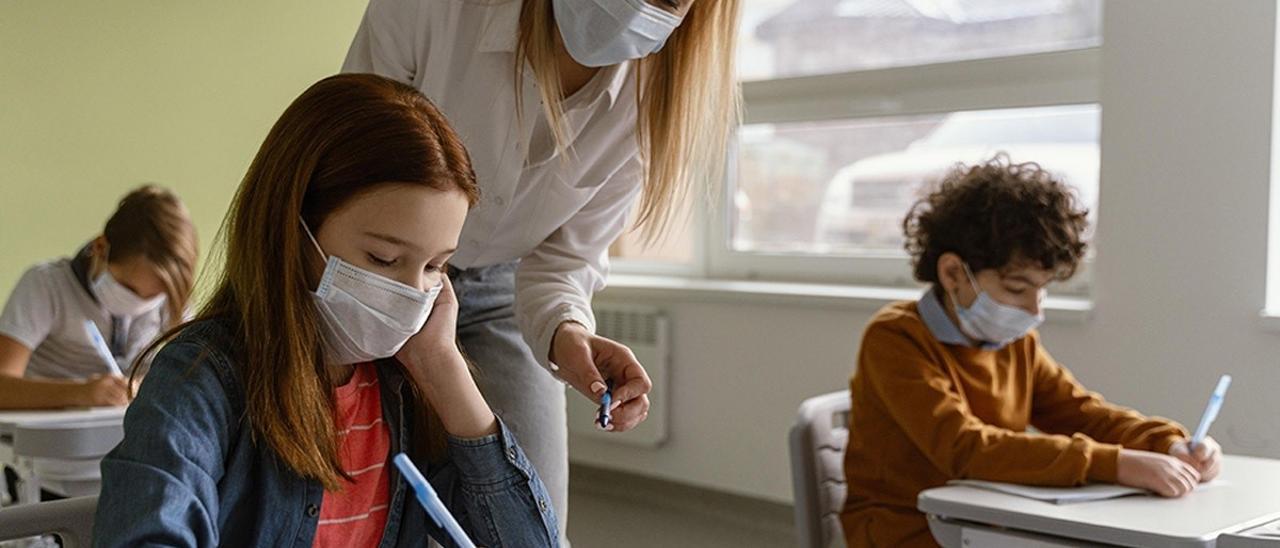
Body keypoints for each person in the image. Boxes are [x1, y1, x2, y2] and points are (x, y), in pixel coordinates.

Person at [93, 74, 558, 547]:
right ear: (293, 232)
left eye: (437, 265)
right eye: (383, 258)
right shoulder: (201, 378)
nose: (414, 292)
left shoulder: (403, 391)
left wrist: (444, 368)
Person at [342, 0, 742, 537]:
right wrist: (396, 282)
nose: (638, 8)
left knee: (534, 525)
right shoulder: (431, 11)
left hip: (498, 290)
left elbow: (562, 262)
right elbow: (343, 169)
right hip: (374, 269)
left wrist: (567, 332)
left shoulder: (655, 100)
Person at [840, 156, 1223, 547]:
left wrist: (1168, 443)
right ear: (953, 273)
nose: (1034, 310)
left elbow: (1080, 411)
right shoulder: (894, 339)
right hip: (903, 529)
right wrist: (1117, 464)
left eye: (1042, 290)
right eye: (1017, 289)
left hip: (985, 519)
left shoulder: (1013, 342)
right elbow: (965, 448)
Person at [0, 184, 197, 410]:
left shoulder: (173, 296)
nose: (140, 303)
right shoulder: (45, 285)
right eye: (128, 288)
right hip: (51, 437)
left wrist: (146, 386)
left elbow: (193, 377)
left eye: (154, 296)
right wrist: (80, 392)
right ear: (101, 247)